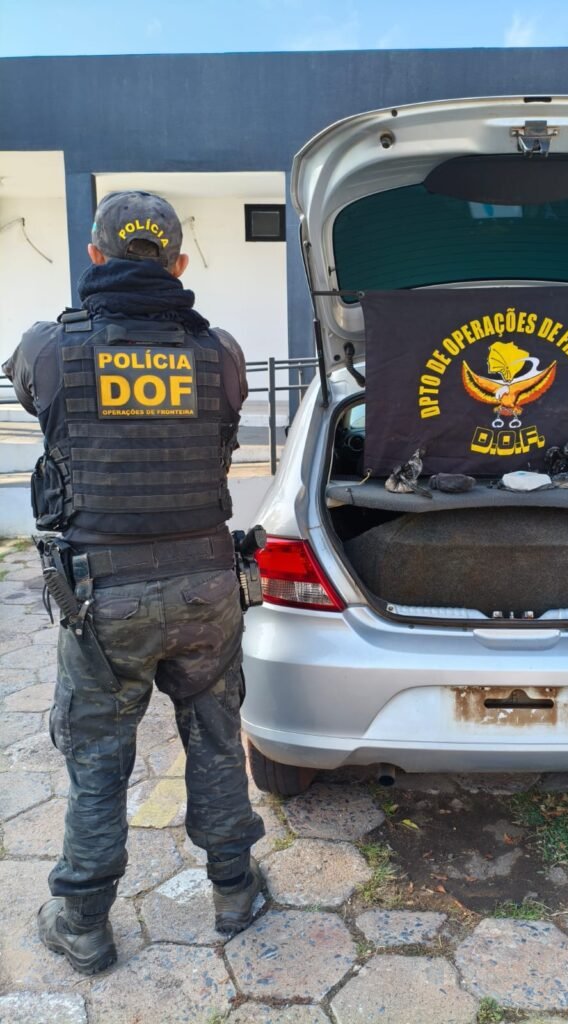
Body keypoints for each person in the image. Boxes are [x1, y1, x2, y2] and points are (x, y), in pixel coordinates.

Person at [2, 191, 265, 975]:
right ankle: (234, 891)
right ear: (178, 263)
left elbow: (31, 393)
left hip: (103, 598)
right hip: (207, 590)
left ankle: (84, 921)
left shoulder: (48, 348)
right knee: (216, 741)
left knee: (97, 760)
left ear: (94, 256)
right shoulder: (221, 352)